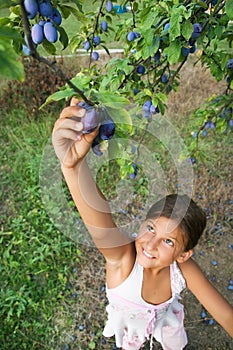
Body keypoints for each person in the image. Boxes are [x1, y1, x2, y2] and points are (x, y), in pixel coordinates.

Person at [52, 97, 233, 350]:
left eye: (169, 241)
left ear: (183, 254)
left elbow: (226, 316)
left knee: (173, 338)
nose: (151, 243)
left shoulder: (182, 271)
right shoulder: (124, 261)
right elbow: (101, 223)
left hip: (165, 318)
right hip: (129, 324)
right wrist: (72, 167)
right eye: (150, 228)